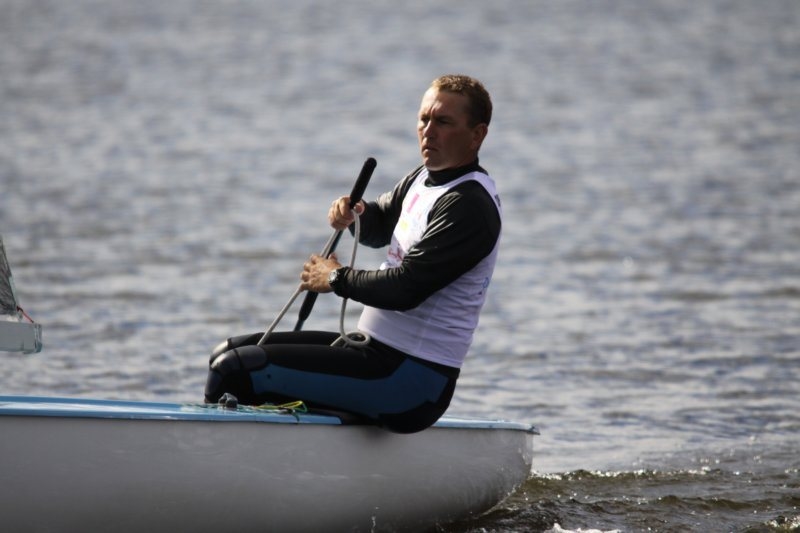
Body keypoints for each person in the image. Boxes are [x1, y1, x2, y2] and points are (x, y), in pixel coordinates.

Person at [205, 74, 501, 433]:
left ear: (477, 135)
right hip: (374, 352)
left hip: (411, 383)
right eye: (424, 119)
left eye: (443, 122)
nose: (428, 131)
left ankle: (217, 457)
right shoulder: (423, 178)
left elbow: (405, 289)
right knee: (226, 352)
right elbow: (379, 224)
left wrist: (334, 277)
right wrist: (355, 212)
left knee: (236, 370)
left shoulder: (469, 206)